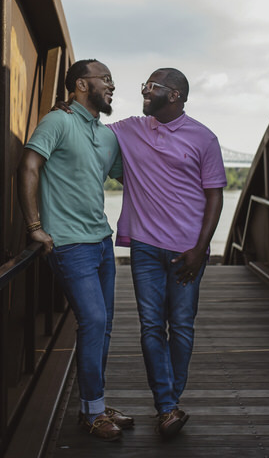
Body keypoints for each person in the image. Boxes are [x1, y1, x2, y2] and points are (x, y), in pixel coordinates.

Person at [56, 67, 225, 438]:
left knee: (181, 326)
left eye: (152, 87)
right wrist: (68, 107)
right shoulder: (129, 129)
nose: (144, 92)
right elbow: (89, 126)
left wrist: (200, 249)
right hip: (146, 248)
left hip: (187, 251)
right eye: (144, 87)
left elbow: (215, 195)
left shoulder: (204, 138)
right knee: (151, 327)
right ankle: (167, 407)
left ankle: (170, 400)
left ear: (175, 95)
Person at [16, 59, 134, 441]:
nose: (112, 85)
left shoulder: (106, 135)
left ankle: (94, 405)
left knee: (104, 327)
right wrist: (35, 226)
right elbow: (29, 166)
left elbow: (132, 175)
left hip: (101, 241)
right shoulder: (58, 122)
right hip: (69, 244)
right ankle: (91, 412)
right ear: (82, 84)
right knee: (94, 321)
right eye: (106, 79)